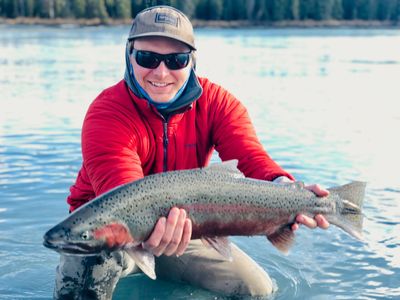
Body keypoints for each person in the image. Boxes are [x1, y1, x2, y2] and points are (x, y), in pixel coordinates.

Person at [54, 5, 330, 299]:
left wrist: (283, 188)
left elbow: (251, 158)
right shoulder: (108, 112)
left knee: (257, 291)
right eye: (147, 58)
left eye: (176, 60)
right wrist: (147, 229)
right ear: (129, 56)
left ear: (192, 61)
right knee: (87, 269)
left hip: (188, 229)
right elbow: (124, 193)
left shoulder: (218, 103)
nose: (161, 72)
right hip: (108, 230)